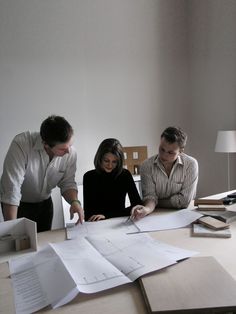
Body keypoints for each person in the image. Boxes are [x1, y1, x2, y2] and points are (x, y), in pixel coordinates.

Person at [0, 115, 84, 232]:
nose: (68, 151)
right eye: (63, 149)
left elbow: (68, 183)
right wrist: (12, 230)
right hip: (19, 206)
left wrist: (75, 202)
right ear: (46, 144)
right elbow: (11, 189)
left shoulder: (70, 152)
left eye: (70, 145)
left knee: (43, 244)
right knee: (19, 244)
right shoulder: (22, 144)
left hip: (45, 205)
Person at [131, 126, 198, 220]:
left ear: (181, 151)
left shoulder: (191, 165)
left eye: (171, 152)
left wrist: (157, 202)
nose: (164, 155)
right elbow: (150, 197)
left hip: (181, 215)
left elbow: (184, 202)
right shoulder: (146, 166)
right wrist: (146, 209)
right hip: (156, 215)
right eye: (162, 149)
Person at [83, 138, 141, 221]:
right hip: (96, 225)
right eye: (106, 161)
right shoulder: (89, 177)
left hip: (118, 223)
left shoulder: (125, 175)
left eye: (114, 162)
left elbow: (137, 206)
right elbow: (88, 214)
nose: (110, 165)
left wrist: (106, 216)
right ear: (99, 158)